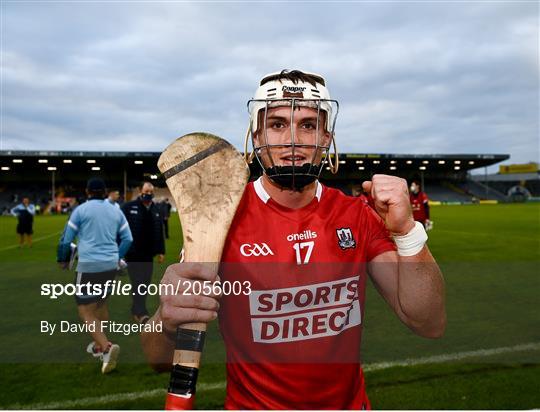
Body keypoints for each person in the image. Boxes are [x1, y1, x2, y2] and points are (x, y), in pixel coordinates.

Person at [141, 70, 446, 409]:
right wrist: (166, 319)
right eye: (277, 124)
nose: (292, 141)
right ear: (256, 136)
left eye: (307, 125)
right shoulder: (220, 219)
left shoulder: (356, 214)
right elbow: (159, 359)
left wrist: (407, 234)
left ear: (326, 137)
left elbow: (428, 322)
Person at [57, 178, 133, 374]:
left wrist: (63, 259)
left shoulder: (81, 210)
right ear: (105, 191)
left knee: (85, 310)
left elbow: (66, 239)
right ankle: (99, 344)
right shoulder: (115, 210)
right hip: (110, 266)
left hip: (89, 265)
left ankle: (107, 348)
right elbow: (128, 239)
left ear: (87, 191)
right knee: (100, 304)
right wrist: (117, 257)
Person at [121, 182, 165, 324]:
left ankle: (136, 309)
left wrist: (161, 251)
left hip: (148, 254)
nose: (149, 193)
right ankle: (141, 312)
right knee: (138, 282)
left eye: (151, 191)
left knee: (144, 283)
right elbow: (119, 229)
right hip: (133, 253)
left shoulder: (156, 208)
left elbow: (159, 230)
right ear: (140, 191)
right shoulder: (128, 207)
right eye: (146, 190)